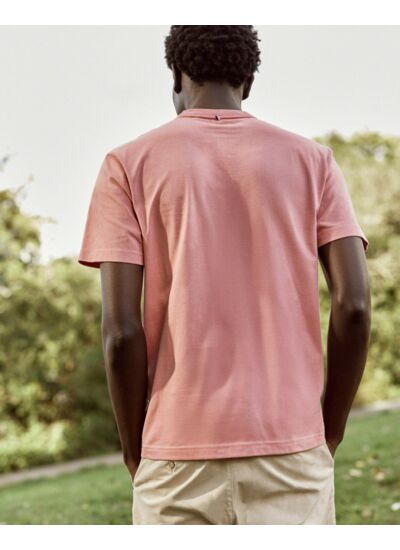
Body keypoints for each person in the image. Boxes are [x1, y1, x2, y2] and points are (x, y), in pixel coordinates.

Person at [78, 25, 371, 525]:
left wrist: (134, 452)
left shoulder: (125, 165)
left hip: (175, 451)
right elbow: (355, 305)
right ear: (248, 81)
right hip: (292, 445)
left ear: (176, 75)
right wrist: (331, 431)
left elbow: (121, 330)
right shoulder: (314, 161)